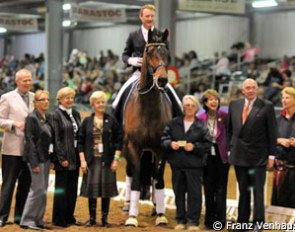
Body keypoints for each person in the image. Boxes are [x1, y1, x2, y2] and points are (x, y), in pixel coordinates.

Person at [112, 4, 182, 122]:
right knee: (117, 101)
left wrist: (160, 68)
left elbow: (168, 57)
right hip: (138, 75)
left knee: (178, 102)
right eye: (147, 16)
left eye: (152, 16)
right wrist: (131, 60)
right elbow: (125, 55)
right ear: (141, 17)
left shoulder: (161, 35)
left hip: (157, 76)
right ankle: (116, 127)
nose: (149, 19)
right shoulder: (133, 35)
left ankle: (178, 127)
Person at [228, 78, 277, 231]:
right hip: (239, 155)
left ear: (257, 89)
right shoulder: (234, 105)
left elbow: (272, 132)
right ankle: (242, 222)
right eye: (247, 88)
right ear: (243, 90)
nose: (250, 90)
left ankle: (258, 223)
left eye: (253, 87)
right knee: (243, 191)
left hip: (259, 157)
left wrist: (271, 156)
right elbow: (230, 130)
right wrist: (231, 149)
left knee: (257, 191)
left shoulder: (267, 106)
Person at [161, 95, 211, 231]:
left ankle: (193, 222)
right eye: (187, 105)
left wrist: (194, 147)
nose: (189, 108)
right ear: (183, 107)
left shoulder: (201, 126)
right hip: (177, 165)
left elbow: (207, 144)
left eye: (192, 105)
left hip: (195, 165)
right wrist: (170, 144)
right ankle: (180, 220)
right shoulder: (173, 123)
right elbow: (163, 139)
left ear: (196, 108)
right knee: (179, 193)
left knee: (195, 194)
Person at [78, 91, 123, 227]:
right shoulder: (87, 121)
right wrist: (83, 160)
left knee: (106, 191)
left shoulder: (112, 120)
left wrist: (116, 159)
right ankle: (92, 219)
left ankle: (104, 219)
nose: (101, 104)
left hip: (107, 161)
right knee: (92, 191)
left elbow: (119, 140)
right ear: (92, 105)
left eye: (103, 102)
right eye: (98, 102)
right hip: (91, 162)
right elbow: (80, 141)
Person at [0, 69, 34, 226]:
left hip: (30, 150)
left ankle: (20, 217)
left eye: (29, 80)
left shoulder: (35, 98)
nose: (27, 83)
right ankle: (2, 216)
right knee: (8, 184)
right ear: (17, 81)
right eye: (24, 80)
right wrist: (13, 124)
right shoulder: (7, 98)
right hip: (12, 149)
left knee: (25, 184)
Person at [20, 90, 54, 230]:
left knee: (43, 190)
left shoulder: (47, 117)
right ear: (35, 103)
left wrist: (50, 159)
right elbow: (30, 141)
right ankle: (27, 220)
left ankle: (38, 219)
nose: (45, 102)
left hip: (45, 158)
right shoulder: (31, 118)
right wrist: (34, 163)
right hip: (36, 159)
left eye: (47, 99)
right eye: (42, 99)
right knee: (37, 189)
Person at [197, 89, 229, 230]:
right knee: (208, 189)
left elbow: (231, 134)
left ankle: (220, 221)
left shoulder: (225, 116)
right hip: (206, 157)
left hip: (222, 155)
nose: (214, 101)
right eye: (210, 99)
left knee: (221, 188)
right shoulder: (200, 118)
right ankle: (209, 220)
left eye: (216, 99)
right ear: (205, 102)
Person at [52, 87, 81, 227]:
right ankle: (59, 219)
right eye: (66, 98)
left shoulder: (75, 113)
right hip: (63, 156)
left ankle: (70, 217)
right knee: (62, 189)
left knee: (72, 188)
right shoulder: (56, 115)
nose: (70, 100)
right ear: (60, 100)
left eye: (71, 97)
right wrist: (61, 157)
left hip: (75, 156)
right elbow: (56, 138)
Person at [271, 87, 295, 208]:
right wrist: (279, 140)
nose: (284, 100)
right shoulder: (277, 119)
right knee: (278, 200)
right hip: (280, 165)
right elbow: (269, 138)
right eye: (283, 97)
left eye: (287, 97)